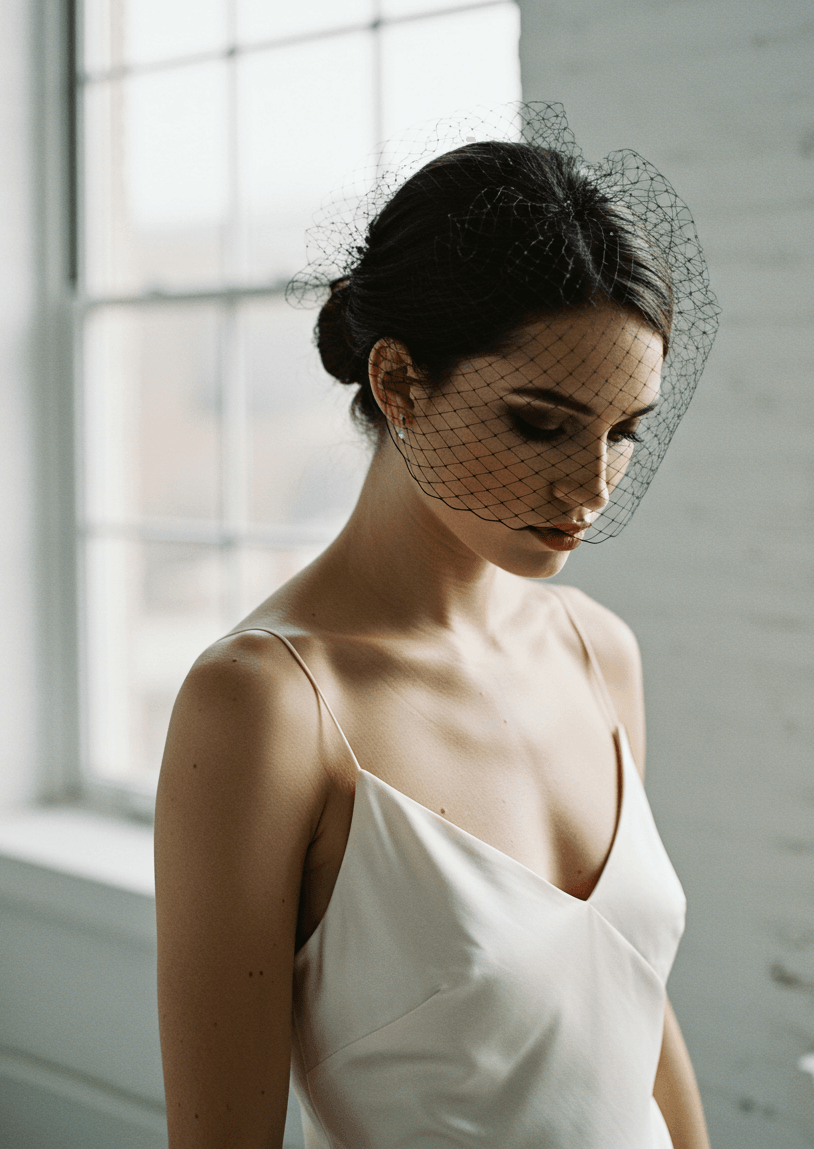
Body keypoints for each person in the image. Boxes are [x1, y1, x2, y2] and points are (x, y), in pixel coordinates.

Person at [155, 114, 716, 1148]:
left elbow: (629, 997)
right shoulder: (267, 705)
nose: (590, 485)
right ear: (398, 381)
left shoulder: (598, 653)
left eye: (623, 432)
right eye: (540, 423)